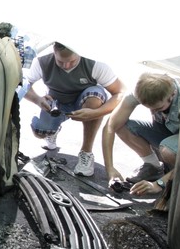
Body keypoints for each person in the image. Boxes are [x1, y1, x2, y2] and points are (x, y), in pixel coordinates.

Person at [22, 41, 125, 176]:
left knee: (95, 96)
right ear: (54, 52)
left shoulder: (95, 63)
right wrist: (38, 99)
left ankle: (86, 152)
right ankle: (52, 131)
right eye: (60, 61)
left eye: (71, 61)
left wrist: (96, 112)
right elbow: (22, 83)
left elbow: (121, 92)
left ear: (80, 53)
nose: (66, 66)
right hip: (56, 103)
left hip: (85, 102)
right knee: (39, 132)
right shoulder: (42, 62)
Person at [101, 72, 180, 196]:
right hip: (169, 134)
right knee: (123, 126)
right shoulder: (142, 91)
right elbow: (110, 126)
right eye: (150, 108)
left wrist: (159, 184)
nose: (153, 111)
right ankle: (153, 166)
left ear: (172, 94)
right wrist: (110, 169)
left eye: (159, 108)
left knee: (167, 149)